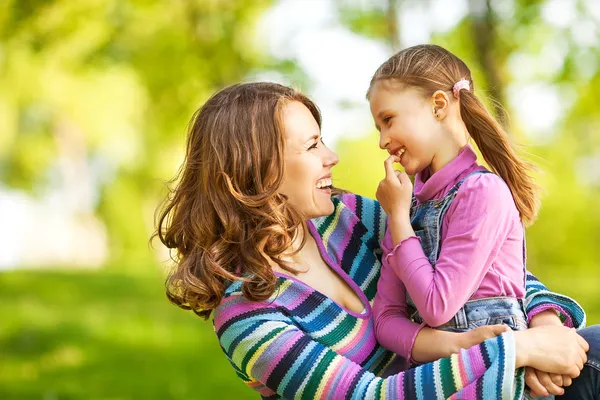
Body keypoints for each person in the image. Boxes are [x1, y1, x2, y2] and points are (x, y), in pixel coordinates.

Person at [155, 81, 596, 399]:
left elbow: (480, 266)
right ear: (259, 172)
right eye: (311, 147)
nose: (332, 157)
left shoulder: (351, 217)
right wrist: (512, 350)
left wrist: (546, 331)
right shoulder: (247, 317)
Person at [368, 44, 587, 397]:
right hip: (443, 382)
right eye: (378, 126)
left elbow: (436, 305)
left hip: (503, 382)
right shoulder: (405, 213)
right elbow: (386, 321)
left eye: (388, 120)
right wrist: (458, 345)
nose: (382, 141)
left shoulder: (481, 193)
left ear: (439, 106)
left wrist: (398, 220)